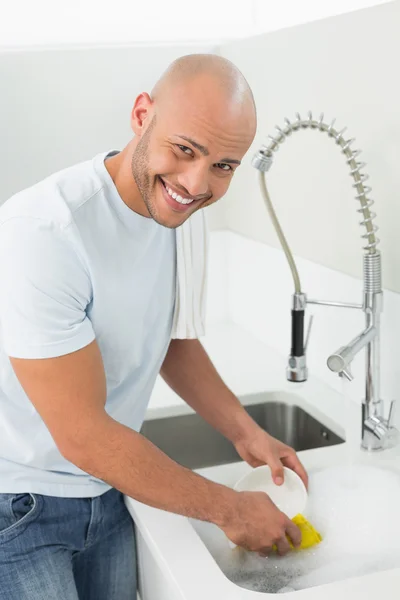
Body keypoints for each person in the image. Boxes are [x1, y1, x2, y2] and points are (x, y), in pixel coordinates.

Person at [0, 53, 308, 600]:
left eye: (224, 166)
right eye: (185, 150)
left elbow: (172, 339)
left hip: (113, 490)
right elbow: (83, 437)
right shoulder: (44, 232)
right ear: (143, 115)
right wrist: (229, 509)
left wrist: (246, 432)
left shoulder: (180, 213)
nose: (196, 182)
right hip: (20, 507)